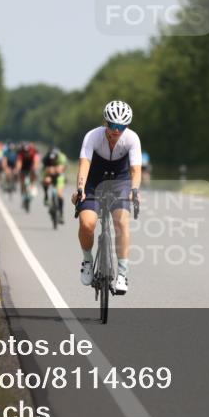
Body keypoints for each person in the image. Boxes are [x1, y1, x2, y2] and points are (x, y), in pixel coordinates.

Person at [71, 100, 141, 295]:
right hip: (94, 180)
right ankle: (87, 260)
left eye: (121, 126)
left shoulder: (132, 138)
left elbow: (136, 170)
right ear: (105, 123)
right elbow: (84, 165)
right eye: (112, 125)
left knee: (121, 221)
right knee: (87, 224)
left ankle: (122, 274)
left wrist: (134, 190)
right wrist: (80, 188)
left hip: (120, 180)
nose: (116, 131)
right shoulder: (92, 136)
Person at [42, 145, 68, 222]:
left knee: (60, 195)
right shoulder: (46, 158)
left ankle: (61, 213)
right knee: (46, 181)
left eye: (54, 158)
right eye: (51, 158)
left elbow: (60, 170)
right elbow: (46, 170)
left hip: (59, 176)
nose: (53, 160)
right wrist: (52, 170)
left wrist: (54, 169)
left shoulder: (62, 157)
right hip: (49, 174)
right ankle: (46, 195)